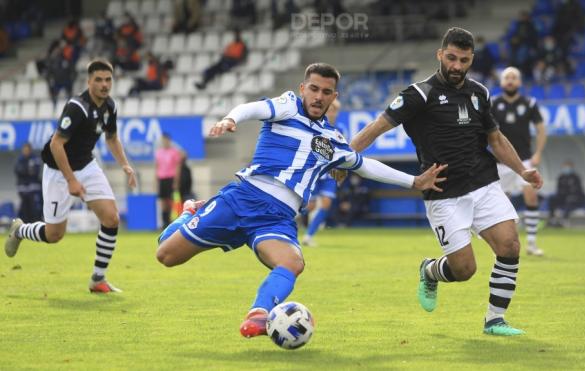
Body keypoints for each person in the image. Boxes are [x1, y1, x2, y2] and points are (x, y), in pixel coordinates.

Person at [155, 63, 447, 339]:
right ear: (303, 88)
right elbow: (254, 107)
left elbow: (366, 165)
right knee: (166, 256)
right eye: (314, 89)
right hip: (242, 199)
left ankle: (259, 314)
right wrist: (232, 118)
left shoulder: (333, 141)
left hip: (277, 218)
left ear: (334, 97)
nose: (318, 97)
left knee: (293, 262)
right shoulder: (287, 105)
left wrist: (414, 181)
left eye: (326, 92)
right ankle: (192, 211)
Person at [349, 28, 543, 336]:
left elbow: (495, 138)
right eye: (451, 58)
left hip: (483, 183)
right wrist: (346, 156)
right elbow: (377, 127)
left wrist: (522, 170)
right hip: (443, 193)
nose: (456, 66)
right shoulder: (419, 94)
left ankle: (495, 321)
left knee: (510, 245)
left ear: (471, 60)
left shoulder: (479, 92)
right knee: (465, 270)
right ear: (440, 55)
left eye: (463, 60)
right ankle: (429, 271)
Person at [4, 60, 137, 293]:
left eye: (108, 80)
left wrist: (125, 165)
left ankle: (98, 279)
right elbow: (56, 144)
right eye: (99, 80)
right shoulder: (77, 107)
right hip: (58, 171)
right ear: (89, 81)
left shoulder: (110, 107)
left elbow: (112, 138)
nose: (104, 85)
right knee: (54, 235)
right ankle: (20, 230)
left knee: (111, 219)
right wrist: (71, 180)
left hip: (86, 165)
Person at [491, 67, 546, 256]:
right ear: (501, 82)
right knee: (501, 203)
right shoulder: (493, 103)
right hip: (500, 163)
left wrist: (538, 153)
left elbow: (541, 129)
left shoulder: (529, 103)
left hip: (524, 161)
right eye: (507, 77)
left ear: (520, 82)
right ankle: (500, 244)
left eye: (514, 78)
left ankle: (531, 242)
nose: (510, 81)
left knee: (531, 195)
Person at [302, 98, 341, 246]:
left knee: (326, 203)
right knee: (310, 206)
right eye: (330, 110)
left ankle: (308, 236)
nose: (333, 113)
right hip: (315, 171)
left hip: (330, 173)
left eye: (335, 110)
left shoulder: (339, 130)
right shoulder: (315, 127)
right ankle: (292, 221)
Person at [548, 160, 585, 226]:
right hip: (563, 197)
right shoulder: (561, 177)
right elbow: (559, 189)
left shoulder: (576, 177)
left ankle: (564, 220)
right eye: (565, 167)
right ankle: (552, 219)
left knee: (570, 201)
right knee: (552, 200)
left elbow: (578, 190)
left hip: (575, 198)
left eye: (568, 167)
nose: (566, 168)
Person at [155, 133, 181, 229]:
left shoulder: (174, 152)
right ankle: (164, 222)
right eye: (163, 140)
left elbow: (177, 167)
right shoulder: (158, 152)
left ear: (169, 141)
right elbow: (157, 167)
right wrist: (156, 181)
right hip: (162, 178)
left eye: (166, 140)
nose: (164, 142)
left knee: (170, 201)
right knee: (163, 202)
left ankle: (170, 221)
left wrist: (176, 181)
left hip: (170, 178)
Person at [14, 143, 43, 223]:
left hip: (34, 189)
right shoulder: (19, 159)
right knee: (24, 210)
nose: (26, 151)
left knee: (35, 210)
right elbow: (18, 171)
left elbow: (35, 172)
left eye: (27, 150)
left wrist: (25, 170)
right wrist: (27, 170)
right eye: (24, 150)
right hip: (23, 189)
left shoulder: (35, 159)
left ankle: (36, 226)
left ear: (30, 150)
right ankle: (24, 227)